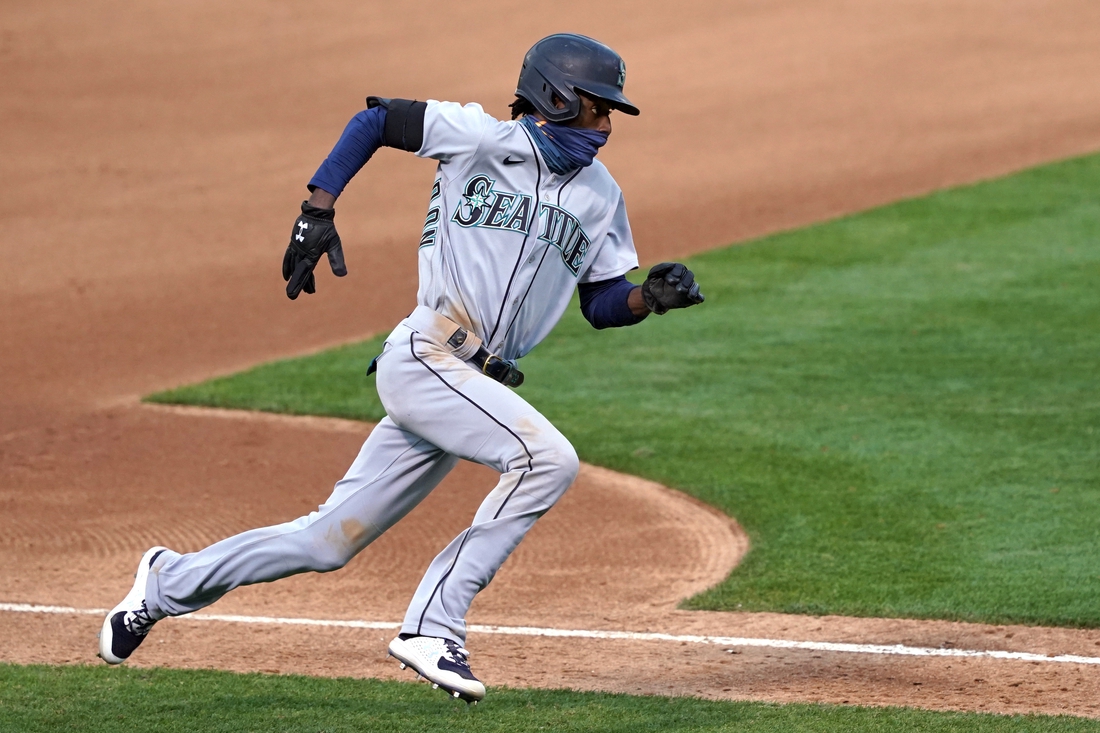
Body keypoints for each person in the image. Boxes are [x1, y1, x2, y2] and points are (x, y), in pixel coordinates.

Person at [98, 33, 704, 703]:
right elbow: (378, 119)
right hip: (428, 354)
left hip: (470, 383)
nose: (607, 125)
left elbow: (600, 301)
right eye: (598, 109)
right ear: (557, 98)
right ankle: (433, 625)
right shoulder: (478, 138)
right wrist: (316, 209)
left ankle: (165, 583)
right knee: (546, 459)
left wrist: (649, 298)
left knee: (325, 540)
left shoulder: (600, 194)